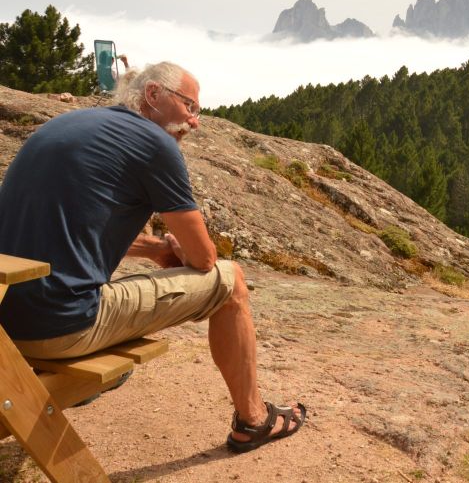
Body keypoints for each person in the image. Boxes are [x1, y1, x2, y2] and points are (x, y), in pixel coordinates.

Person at [0, 62, 305, 453]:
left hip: (8, 323)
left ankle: (82, 386)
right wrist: (182, 252)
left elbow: (75, 226)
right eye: (190, 107)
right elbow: (203, 259)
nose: (195, 122)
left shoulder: (66, 126)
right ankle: (254, 420)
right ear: (154, 95)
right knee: (231, 282)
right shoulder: (154, 143)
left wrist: (157, 250)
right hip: (59, 329)